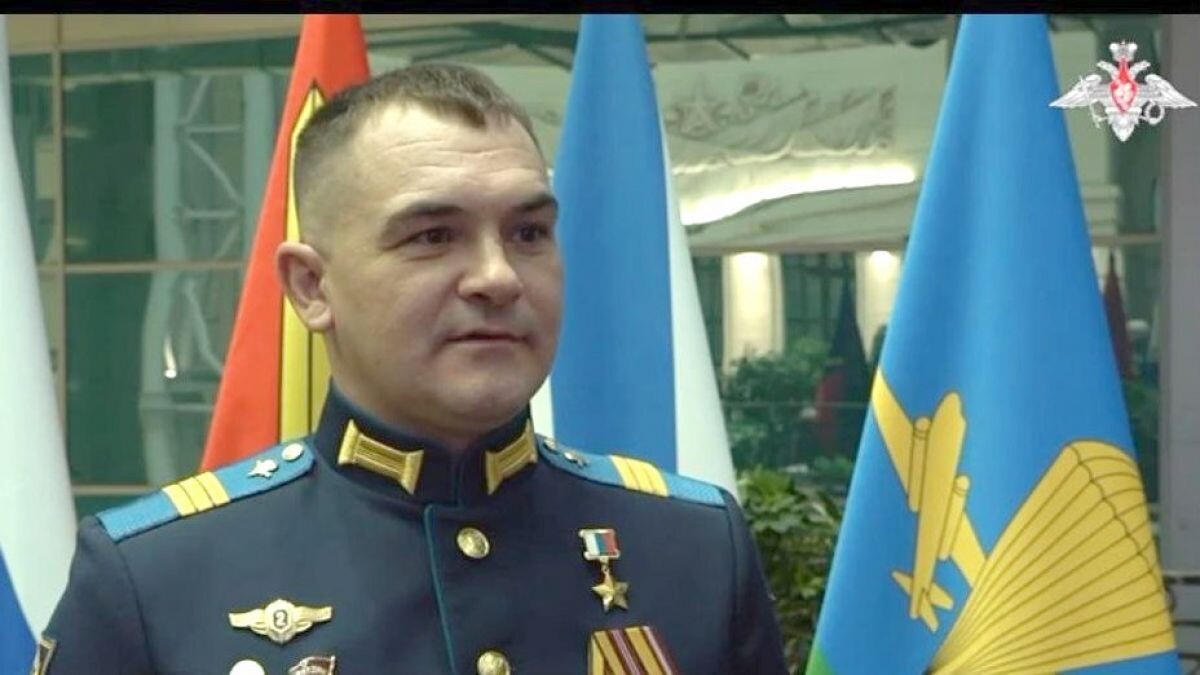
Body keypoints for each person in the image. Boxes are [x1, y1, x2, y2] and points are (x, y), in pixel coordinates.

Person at [39, 63, 787, 675]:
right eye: (433, 236)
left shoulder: (691, 547)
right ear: (312, 286)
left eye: (529, 232)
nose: (498, 277)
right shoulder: (155, 577)